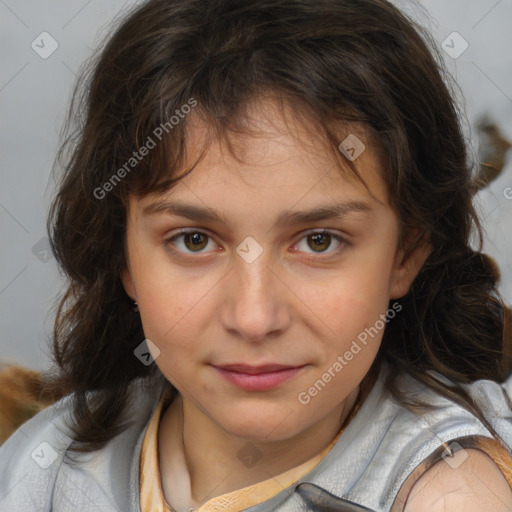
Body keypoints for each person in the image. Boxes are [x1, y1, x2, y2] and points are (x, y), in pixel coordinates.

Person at [1, 0, 511, 510]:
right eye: (194, 240)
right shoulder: (42, 468)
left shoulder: (455, 494)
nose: (253, 317)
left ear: (406, 254)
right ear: (121, 256)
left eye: (319, 241)